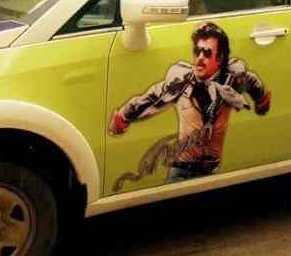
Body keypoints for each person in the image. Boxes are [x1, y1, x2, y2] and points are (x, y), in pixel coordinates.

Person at [109, 22, 271, 188]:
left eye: (207, 53)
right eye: (197, 51)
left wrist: (261, 101)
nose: (200, 57)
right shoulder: (180, 83)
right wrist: (123, 117)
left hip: (212, 171)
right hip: (181, 170)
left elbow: (253, 82)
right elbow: (149, 98)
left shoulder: (231, 81)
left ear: (219, 58)